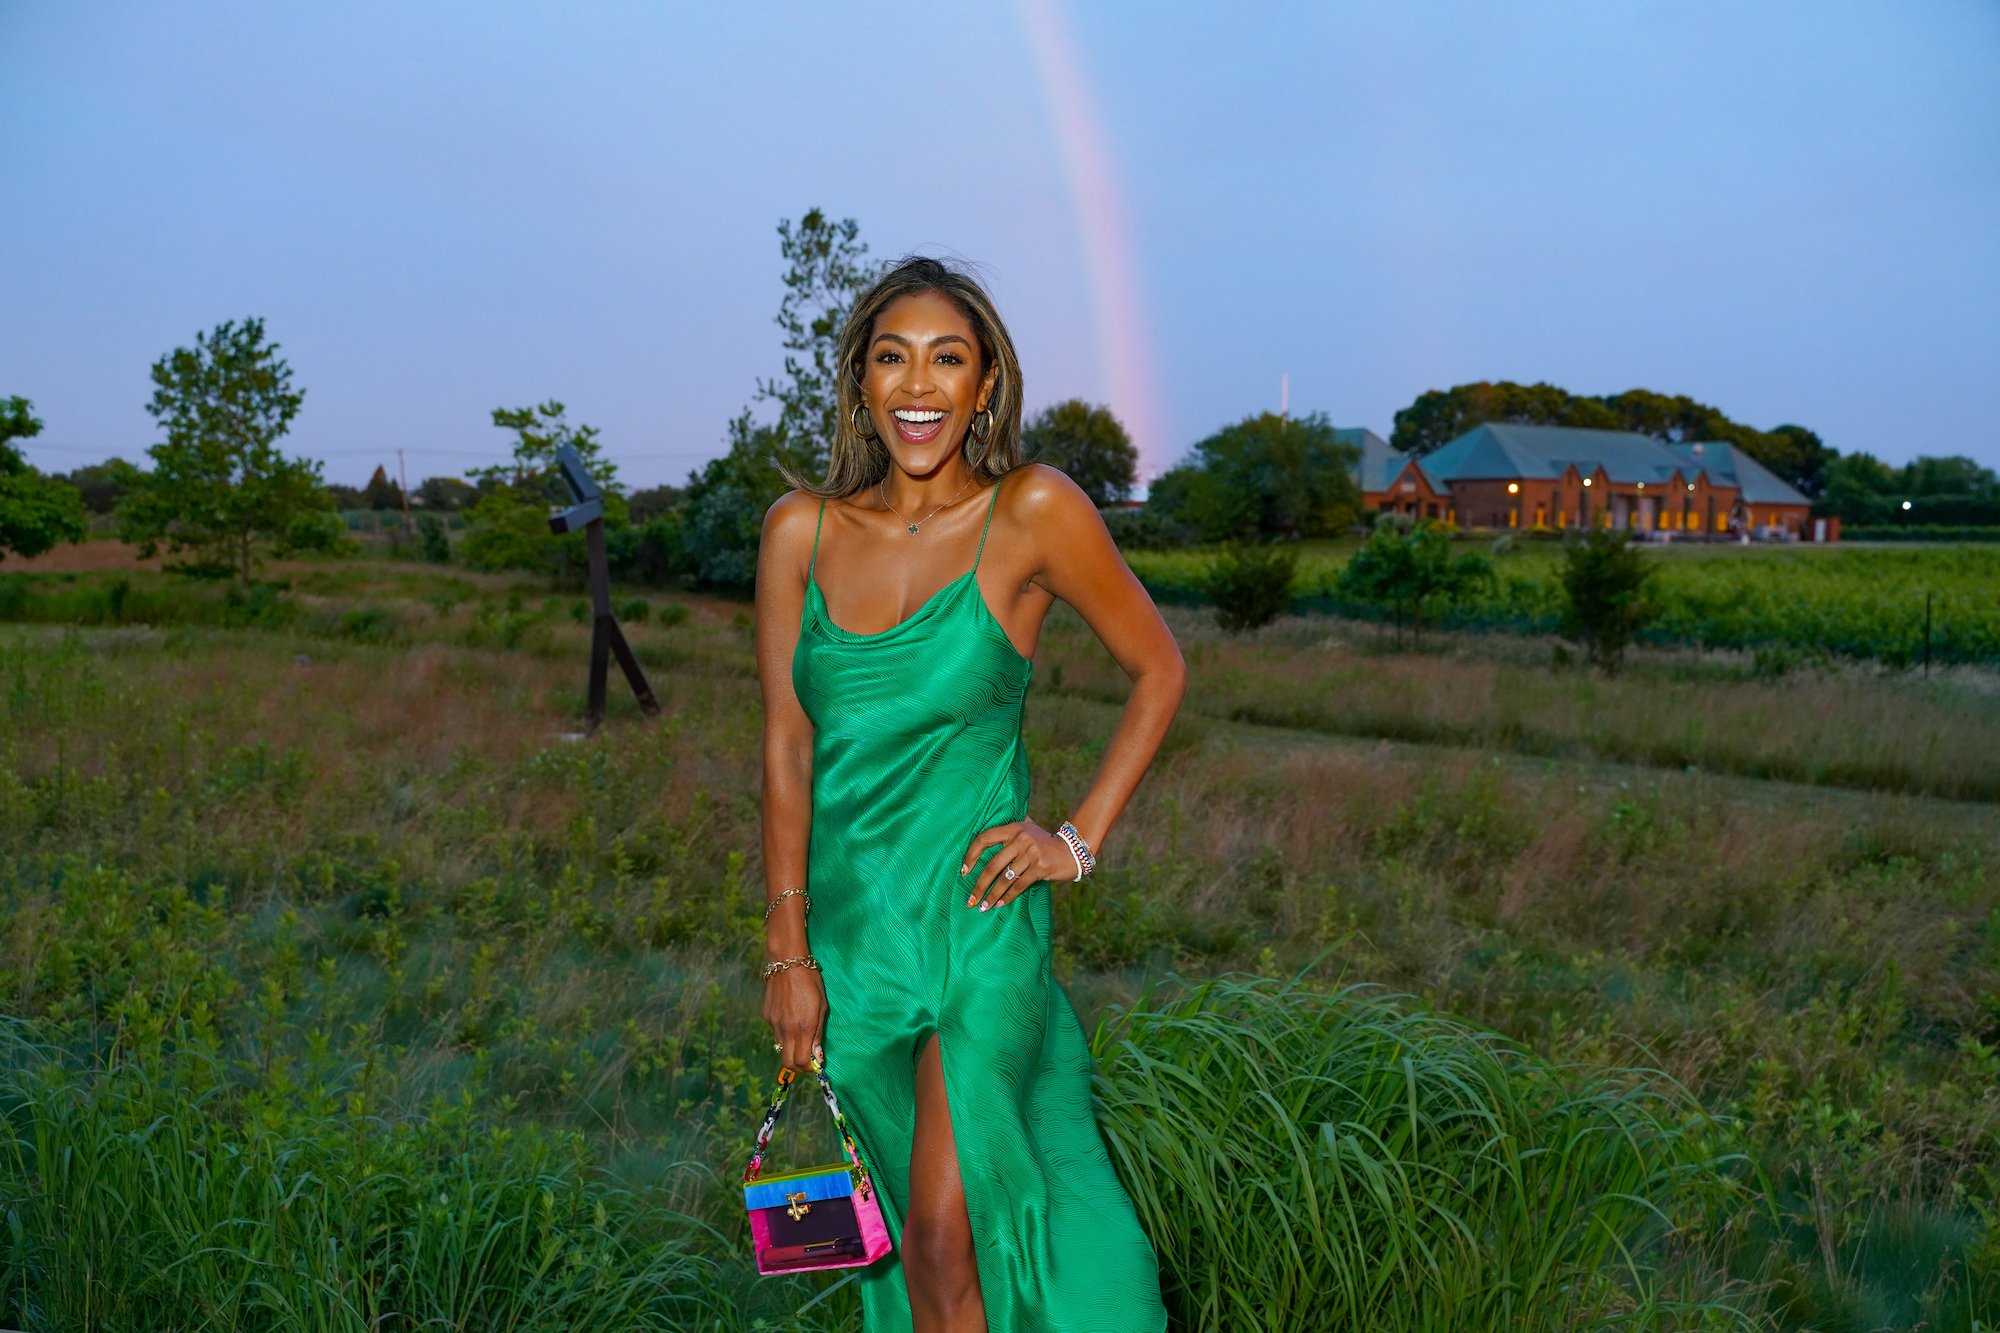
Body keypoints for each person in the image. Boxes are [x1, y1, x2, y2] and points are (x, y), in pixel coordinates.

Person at [753, 255, 1185, 1331]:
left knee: (946, 1230)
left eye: (948, 358)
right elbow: (785, 747)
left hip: (978, 924)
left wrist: (1074, 841)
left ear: (985, 383)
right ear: (859, 382)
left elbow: (1159, 668)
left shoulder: (1032, 512)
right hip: (852, 939)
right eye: (891, 357)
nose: (918, 384)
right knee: (890, 1239)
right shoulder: (796, 532)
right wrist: (788, 953)